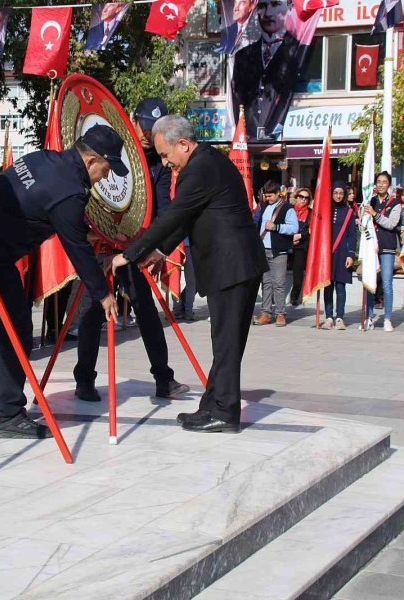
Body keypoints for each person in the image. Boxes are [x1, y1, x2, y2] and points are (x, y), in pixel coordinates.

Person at [0, 125, 126, 439]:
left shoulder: (42, 159)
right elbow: (78, 250)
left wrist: (80, 233)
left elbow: (46, 213)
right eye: (106, 169)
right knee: (16, 334)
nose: (105, 177)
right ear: (90, 161)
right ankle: (8, 413)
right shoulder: (70, 190)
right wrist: (103, 294)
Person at [112, 115, 266, 433]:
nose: (166, 163)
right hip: (234, 264)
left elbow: (174, 216)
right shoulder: (205, 162)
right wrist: (160, 251)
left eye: (167, 155)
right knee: (225, 342)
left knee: (227, 342)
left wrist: (130, 253)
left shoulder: (199, 169)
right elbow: (186, 220)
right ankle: (213, 405)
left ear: (183, 143)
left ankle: (224, 412)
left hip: (232, 265)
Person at [73, 98, 189, 403]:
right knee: (92, 310)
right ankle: (84, 379)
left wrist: (150, 245)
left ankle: (163, 378)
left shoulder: (159, 164)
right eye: (143, 127)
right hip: (100, 243)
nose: (146, 136)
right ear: (132, 121)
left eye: (154, 131)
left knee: (147, 311)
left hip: (132, 247)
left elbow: (163, 208)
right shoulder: (113, 147)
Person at [231, 0, 299, 140]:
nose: (267, 13)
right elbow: (237, 97)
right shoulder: (243, 56)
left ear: (290, 7)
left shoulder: (298, 50)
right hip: (248, 136)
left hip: (284, 130)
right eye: (262, 6)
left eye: (275, 5)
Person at [362, 171, 402, 332]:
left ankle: (387, 318)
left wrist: (375, 214)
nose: (381, 185)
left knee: (386, 283)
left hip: (387, 247)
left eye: (384, 182)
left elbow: (391, 224)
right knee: (370, 282)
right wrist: (364, 215)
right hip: (371, 248)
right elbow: (362, 224)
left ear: (389, 185)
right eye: (378, 182)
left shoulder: (395, 203)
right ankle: (370, 316)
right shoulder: (368, 200)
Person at [253, 181, 297, 326]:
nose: (267, 198)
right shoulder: (263, 206)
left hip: (279, 251)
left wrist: (276, 227)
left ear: (278, 193)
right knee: (266, 283)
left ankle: (280, 313)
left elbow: (293, 228)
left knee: (278, 283)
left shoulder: (287, 208)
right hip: (262, 250)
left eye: (270, 195)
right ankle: (266, 313)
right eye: (266, 196)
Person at [321, 182, 356, 330]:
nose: (338, 196)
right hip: (327, 253)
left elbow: (352, 235)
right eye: (336, 193)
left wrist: (350, 254)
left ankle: (340, 317)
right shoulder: (325, 210)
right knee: (328, 287)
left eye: (341, 193)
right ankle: (329, 317)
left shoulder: (349, 212)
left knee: (340, 286)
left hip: (342, 253)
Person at [289, 187, 311, 306]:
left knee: (298, 275)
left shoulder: (310, 213)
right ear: (296, 197)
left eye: (306, 198)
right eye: (301, 197)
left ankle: (294, 297)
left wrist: (300, 236)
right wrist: (291, 237)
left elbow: (311, 231)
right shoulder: (289, 210)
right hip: (287, 244)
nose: (303, 200)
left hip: (301, 247)